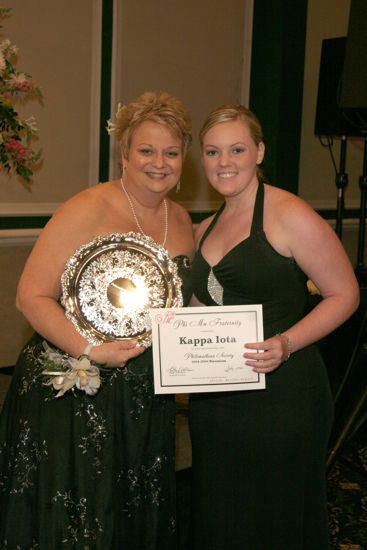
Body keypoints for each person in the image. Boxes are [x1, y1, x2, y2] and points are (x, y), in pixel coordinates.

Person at [0, 91, 194, 549]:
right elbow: (30, 296)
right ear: (124, 153)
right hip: (77, 388)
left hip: (145, 393)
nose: (159, 163)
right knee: (79, 515)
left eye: (171, 152)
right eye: (146, 150)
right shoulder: (86, 207)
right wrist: (91, 350)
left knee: (131, 511)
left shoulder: (183, 220)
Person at [188, 104, 360, 550]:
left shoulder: (289, 213)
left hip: (284, 395)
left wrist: (285, 343)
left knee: (277, 517)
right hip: (216, 404)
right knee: (222, 513)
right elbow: (197, 309)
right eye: (212, 152)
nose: (224, 162)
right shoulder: (204, 227)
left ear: (259, 152)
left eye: (237, 149)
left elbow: (345, 294)